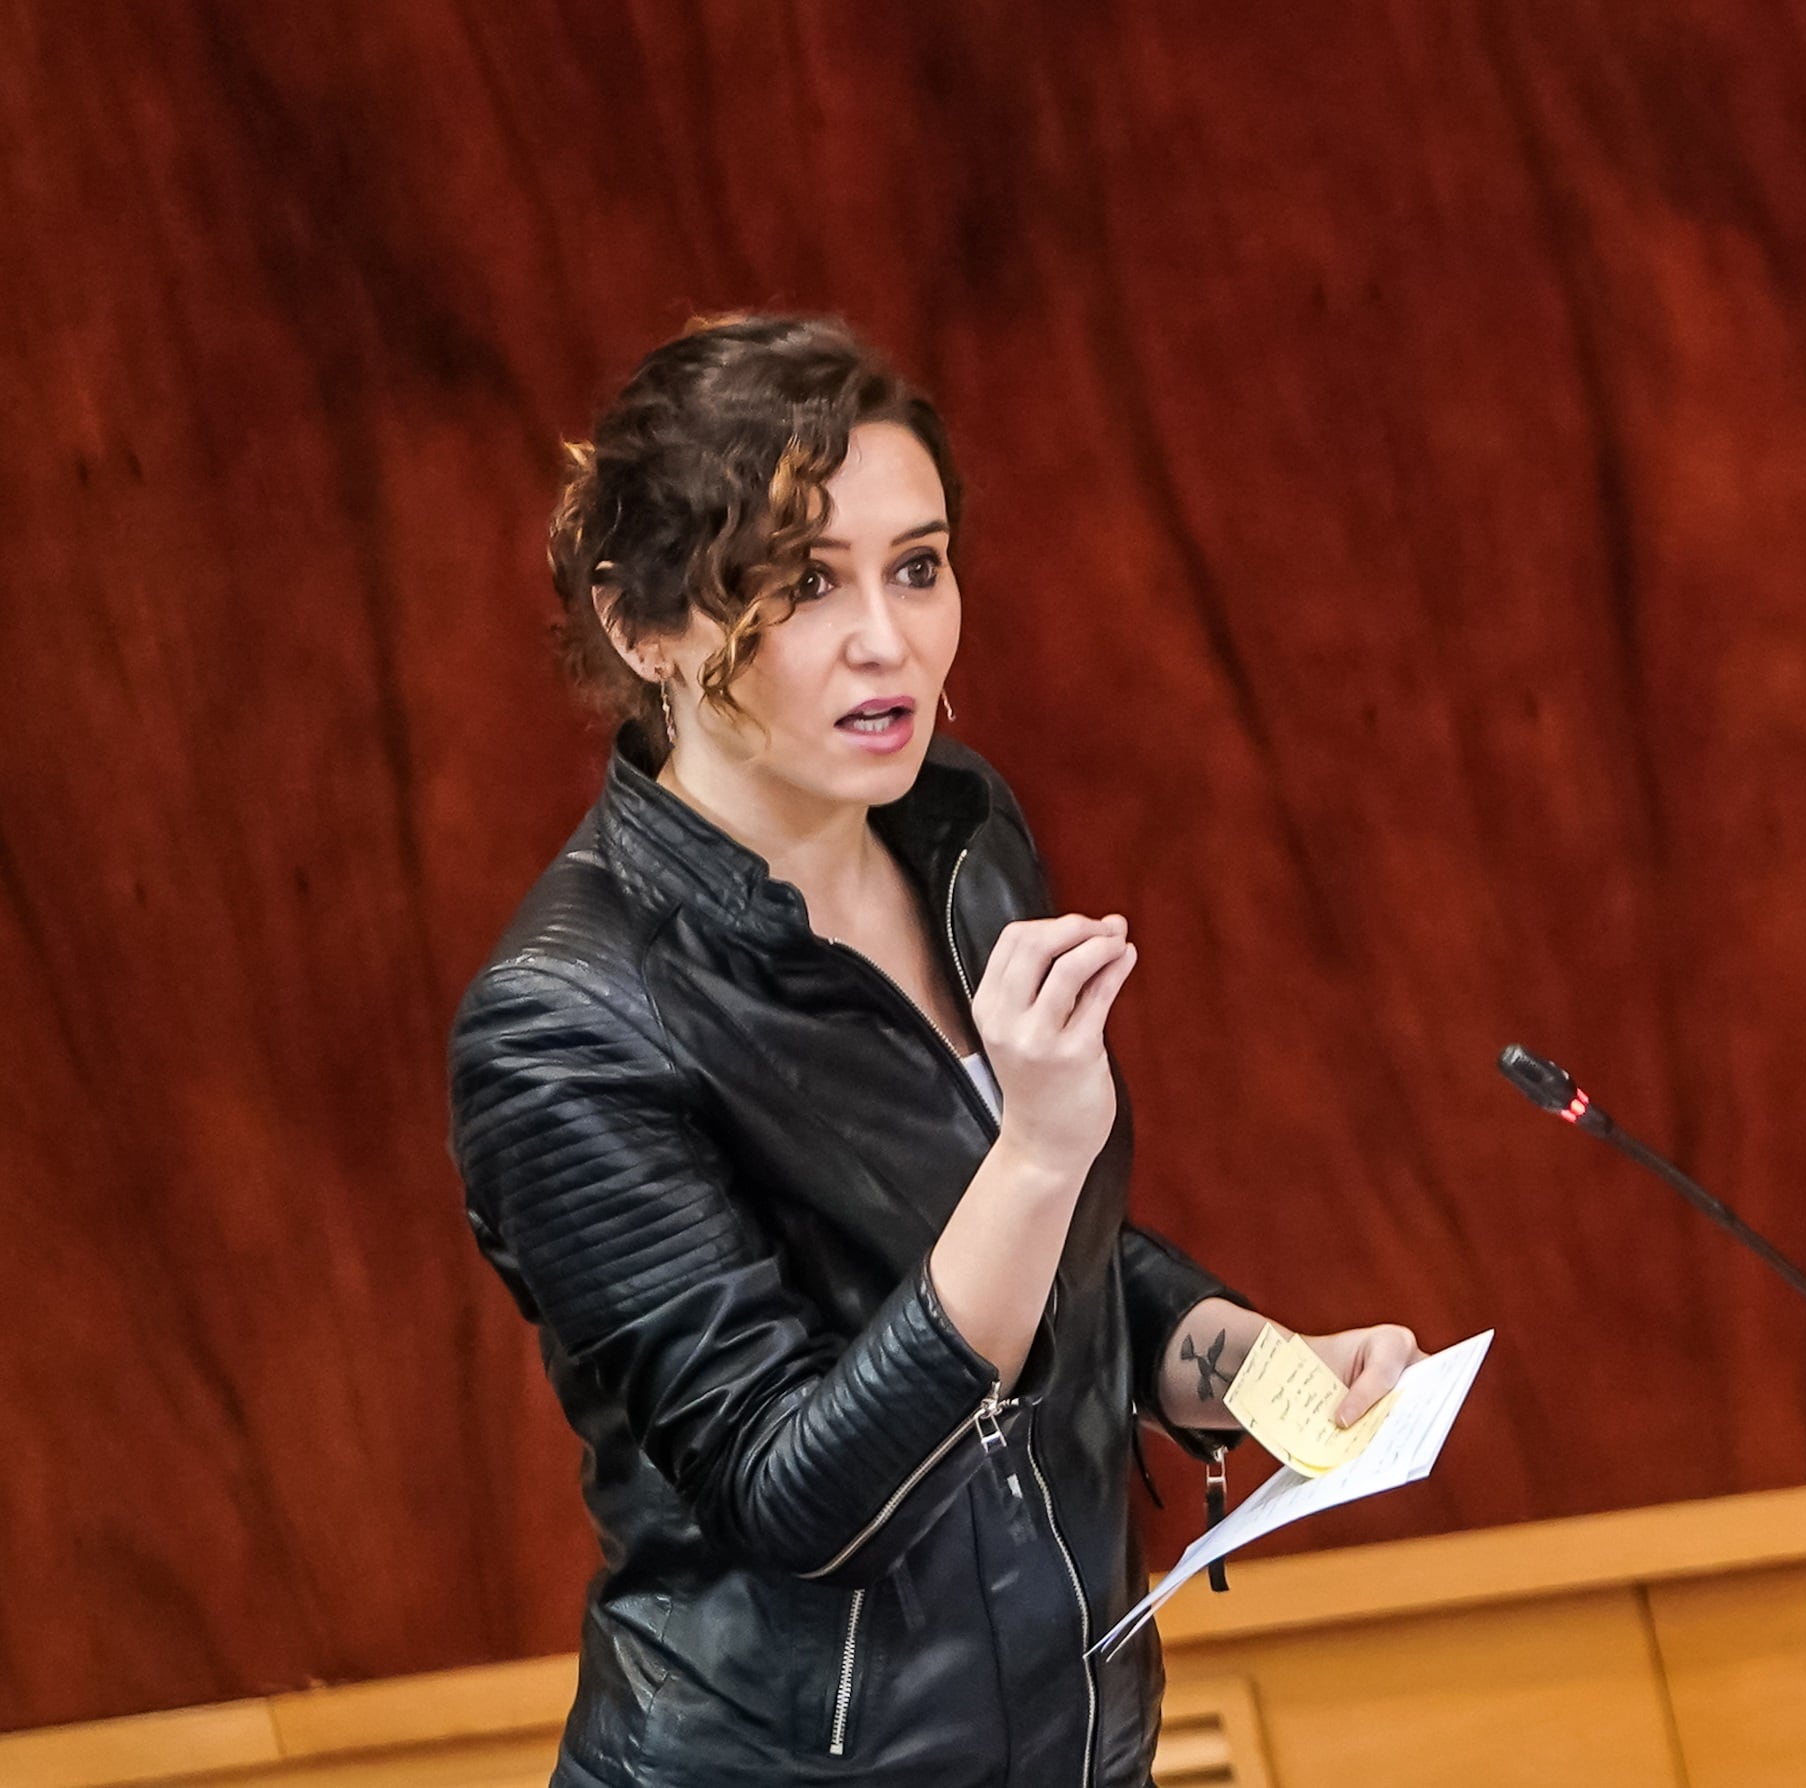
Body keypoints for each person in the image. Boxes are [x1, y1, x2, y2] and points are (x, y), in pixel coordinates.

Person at [446, 313, 1422, 1788]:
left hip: (1070, 1745)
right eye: (796, 585)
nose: (886, 640)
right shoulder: (563, 1024)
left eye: (917, 564)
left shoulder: (953, 829)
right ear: (641, 627)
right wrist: (1037, 1146)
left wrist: (1232, 1363)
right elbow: (796, 1500)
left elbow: (1039, 1257)